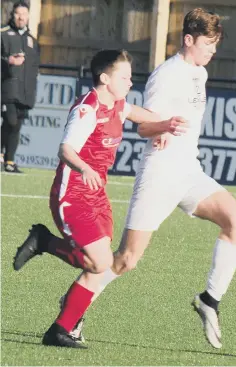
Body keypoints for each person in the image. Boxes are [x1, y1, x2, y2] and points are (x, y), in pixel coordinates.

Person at [60, 8, 236, 350]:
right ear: (188, 39)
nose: (213, 51)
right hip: (160, 174)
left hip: (189, 170)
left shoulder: (199, 74)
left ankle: (210, 300)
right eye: (208, 43)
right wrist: (161, 127)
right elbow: (143, 124)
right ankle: (74, 309)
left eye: (216, 44)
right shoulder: (167, 74)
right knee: (126, 260)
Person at [13, 49, 187, 348]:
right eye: (125, 77)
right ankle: (45, 241)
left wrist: (165, 124)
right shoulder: (87, 109)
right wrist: (83, 167)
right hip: (72, 195)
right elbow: (65, 149)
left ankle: (60, 330)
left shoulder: (117, 104)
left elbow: (135, 113)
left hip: (96, 195)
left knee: (103, 265)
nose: (130, 82)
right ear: (105, 78)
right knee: (100, 261)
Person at [1, 1, 40, 173]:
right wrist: (8, 61)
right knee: (10, 120)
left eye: (24, 14)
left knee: (16, 126)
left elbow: (34, 68)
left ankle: (9, 161)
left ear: (28, 16)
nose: (21, 17)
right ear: (12, 15)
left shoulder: (32, 40)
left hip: (25, 92)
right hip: (7, 88)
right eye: (17, 14)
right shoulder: (3, 33)